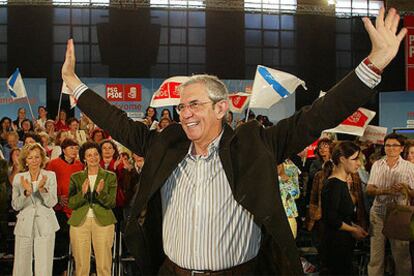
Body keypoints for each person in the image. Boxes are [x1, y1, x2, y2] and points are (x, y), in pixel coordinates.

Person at [61, 7, 406, 274]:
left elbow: (316, 116)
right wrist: (74, 84)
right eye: (181, 106)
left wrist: (373, 64)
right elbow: (117, 123)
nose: (185, 113)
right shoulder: (165, 145)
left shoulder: (255, 144)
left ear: (221, 107)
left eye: (194, 104)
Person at [367, 133, 414, 275]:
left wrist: (405, 188)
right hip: (378, 213)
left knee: (401, 255)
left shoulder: (409, 167)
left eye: (395, 145)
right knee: (376, 255)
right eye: (387, 145)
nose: (391, 148)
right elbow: (369, 189)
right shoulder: (377, 164)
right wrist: (384, 190)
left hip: (399, 215)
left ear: (401, 148)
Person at [68, 142, 117, 276]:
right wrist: (82, 193)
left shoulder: (110, 176)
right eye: (89, 155)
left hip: (103, 222)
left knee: (103, 264)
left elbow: (112, 203)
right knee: (81, 265)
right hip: (80, 223)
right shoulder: (76, 177)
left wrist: (100, 193)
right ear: (84, 158)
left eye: (95, 154)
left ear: (100, 156)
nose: (93, 158)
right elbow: (71, 203)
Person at [11, 143, 59, 276]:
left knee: (44, 265)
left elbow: (52, 202)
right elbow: (16, 205)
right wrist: (26, 193)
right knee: (21, 265)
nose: (34, 161)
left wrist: (42, 189)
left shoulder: (50, 176)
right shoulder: (18, 178)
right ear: (25, 160)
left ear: (42, 159)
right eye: (30, 157)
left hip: (46, 224)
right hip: (24, 225)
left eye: (37, 157)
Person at [321, 141, 368, 275]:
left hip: (343, 243)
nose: (358, 163)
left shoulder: (342, 183)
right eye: (354, 159)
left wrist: (354, 226)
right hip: (335, 245)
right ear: (342, 159)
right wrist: (353, 229)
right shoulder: (333, 185)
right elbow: (332, 218)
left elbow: (342, 215)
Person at [46, 138, 83, 275]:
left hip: (76, 209)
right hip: (59, 210)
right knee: (60, 244)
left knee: (77, 244)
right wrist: (57, 198)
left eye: (76, 148)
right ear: (63, 149)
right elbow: (48, 184)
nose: (74, 150)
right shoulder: (53, 164)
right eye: (71, 147)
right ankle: (60, 271)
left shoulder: (80, 165)